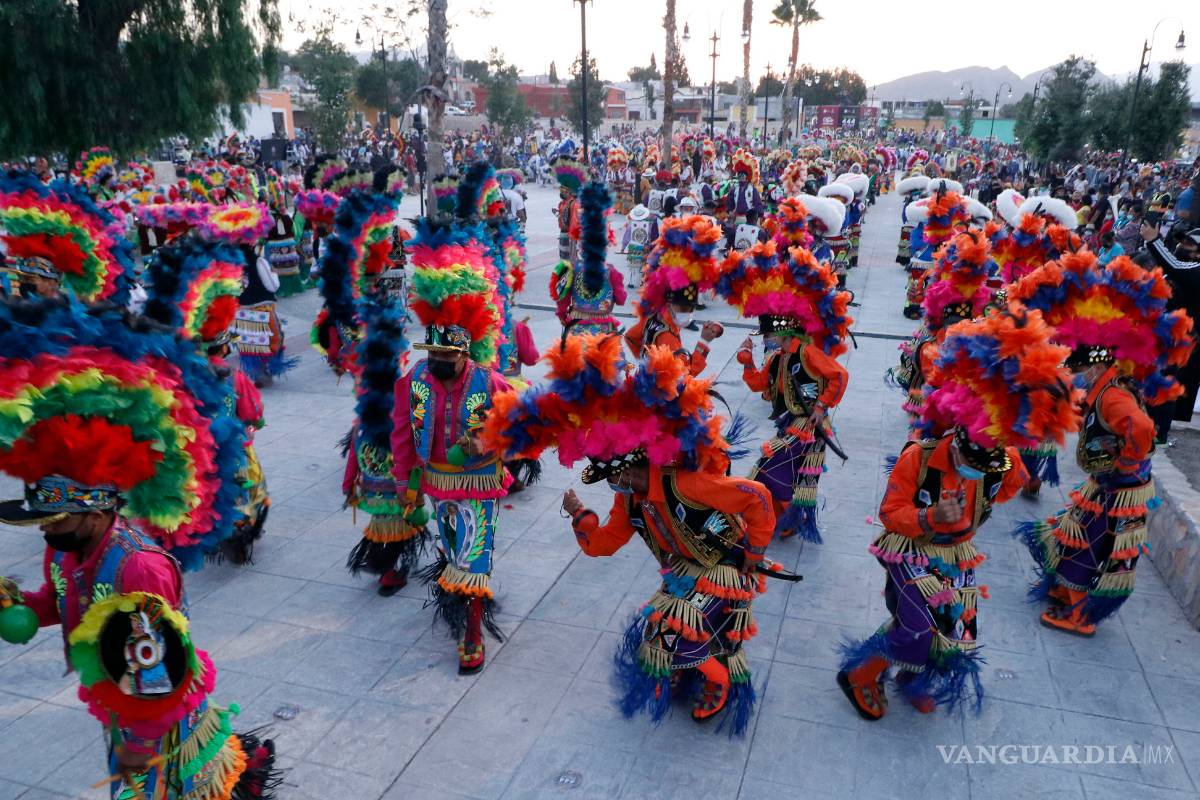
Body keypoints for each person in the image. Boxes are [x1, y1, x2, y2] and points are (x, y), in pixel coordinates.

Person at [0, 300, 277, 799]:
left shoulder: (139, 568)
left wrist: (141, 742)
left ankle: (243, 772)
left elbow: (161, 670)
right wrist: (17, 604)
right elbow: (63, 599)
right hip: (119, 698)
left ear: (95, 512)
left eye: (55, 518)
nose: (45, 529)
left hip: (157, 715)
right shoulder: (63, 549)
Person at [482, 335, 777, 735]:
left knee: (667, 630)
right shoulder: (629, 501)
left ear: (636, 462)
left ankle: (721, 679)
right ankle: (693, 663)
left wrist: (755, 552)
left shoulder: (685, 483)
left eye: (616, 474)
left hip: (725, 569)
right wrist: (580, 516)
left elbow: (757, 496)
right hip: (683, 574)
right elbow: (603, 544)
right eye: (608, 477)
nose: (614, 483)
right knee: (661, 634)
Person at [838, 310, 1077, 720]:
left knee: (953, 631)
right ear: (957, 435)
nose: (973, 470)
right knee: (917, 623)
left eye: (985, 466)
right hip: (910, 549)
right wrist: (931, 518)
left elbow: (1007, 489)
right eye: (968, 461)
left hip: (958, 554)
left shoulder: (1004, 462)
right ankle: (860, 673)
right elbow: (891, 513)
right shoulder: (919, 457)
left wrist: (984, 496)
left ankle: (913, 678)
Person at [1012, 251, 1194, 634]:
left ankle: (1080, 617)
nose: (1076, 370)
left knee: (1087, 546)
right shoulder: (1106, 383)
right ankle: (1064, 591)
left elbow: (1142, 428)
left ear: (1095, 361)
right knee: (1072, 533)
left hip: (1118, 488)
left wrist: (1125, 461)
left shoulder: (1113, 395)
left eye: (1079, 364)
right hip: (1109, 483)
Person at [392, 215, 512, 674]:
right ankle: (460, 603)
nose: (439, 361)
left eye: (448, 355)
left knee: (473, 556)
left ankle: (472, 633)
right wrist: (405, 484)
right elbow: (402, 432)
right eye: (434, 354)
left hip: (479, 482)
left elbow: (520, 427)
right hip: (437, 483)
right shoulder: (415, 379)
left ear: (465, 354)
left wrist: (487, 440)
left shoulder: (490, 382)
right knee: (450, 550)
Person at [723, 239, 851, 543]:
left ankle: (778, 519)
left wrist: (820, 407)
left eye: (768, 333)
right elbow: (760, 386)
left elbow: (840, 376)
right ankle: (786, 520)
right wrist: (746, 362)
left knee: (771, 469)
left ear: (782, 330)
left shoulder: (806, 352)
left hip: (808, 426)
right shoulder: (777, 358)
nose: (765, 338)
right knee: (784, 472)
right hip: (791, 423)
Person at [624, 215, 724, 375]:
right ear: (670, 304)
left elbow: (630, 337)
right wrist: (704, 341)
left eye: (690, 308)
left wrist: (645, 364)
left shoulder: (654, 317)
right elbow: (686, 373)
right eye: (683, 308)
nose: (687, 313)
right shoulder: (668, 338)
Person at [550, 182, 627, 336]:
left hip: (576, 327)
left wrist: (564, 317)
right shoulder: (611, 271)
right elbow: (621, 299)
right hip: (603, 329)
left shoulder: (571, 268)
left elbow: (562, 301)